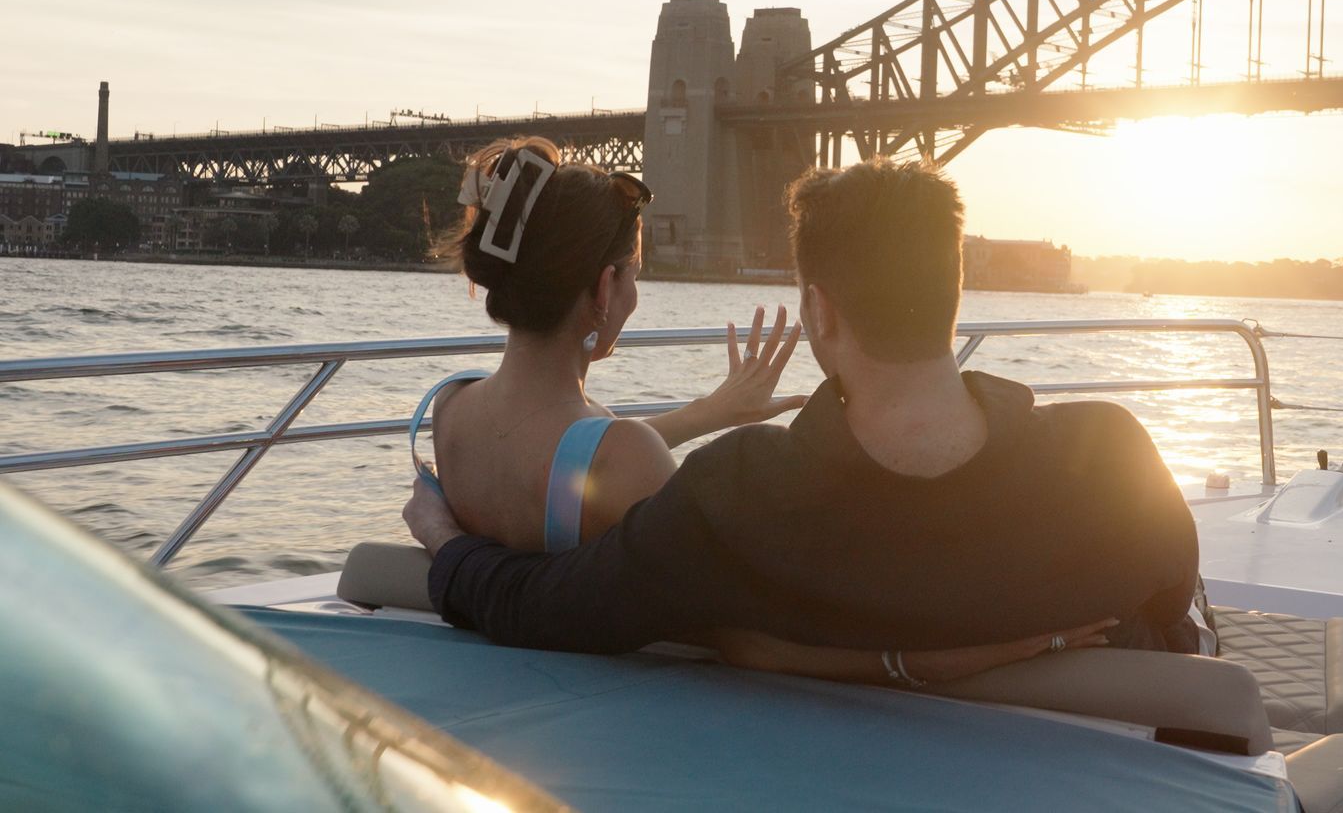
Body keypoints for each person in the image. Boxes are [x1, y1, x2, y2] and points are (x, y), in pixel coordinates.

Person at [406, 157, 1203, 672]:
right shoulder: (1111, 454)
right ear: (953, 291)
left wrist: (445, 540)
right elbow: (1174, 612)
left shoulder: (737, 496)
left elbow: (549, 607)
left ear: (817, 312)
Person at [415, 136, 805, 552]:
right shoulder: (626, 457)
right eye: (634, 275)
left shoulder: (451, 406)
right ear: (603, 289)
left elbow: (576, 458)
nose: (635, 296)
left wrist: (711, 411)